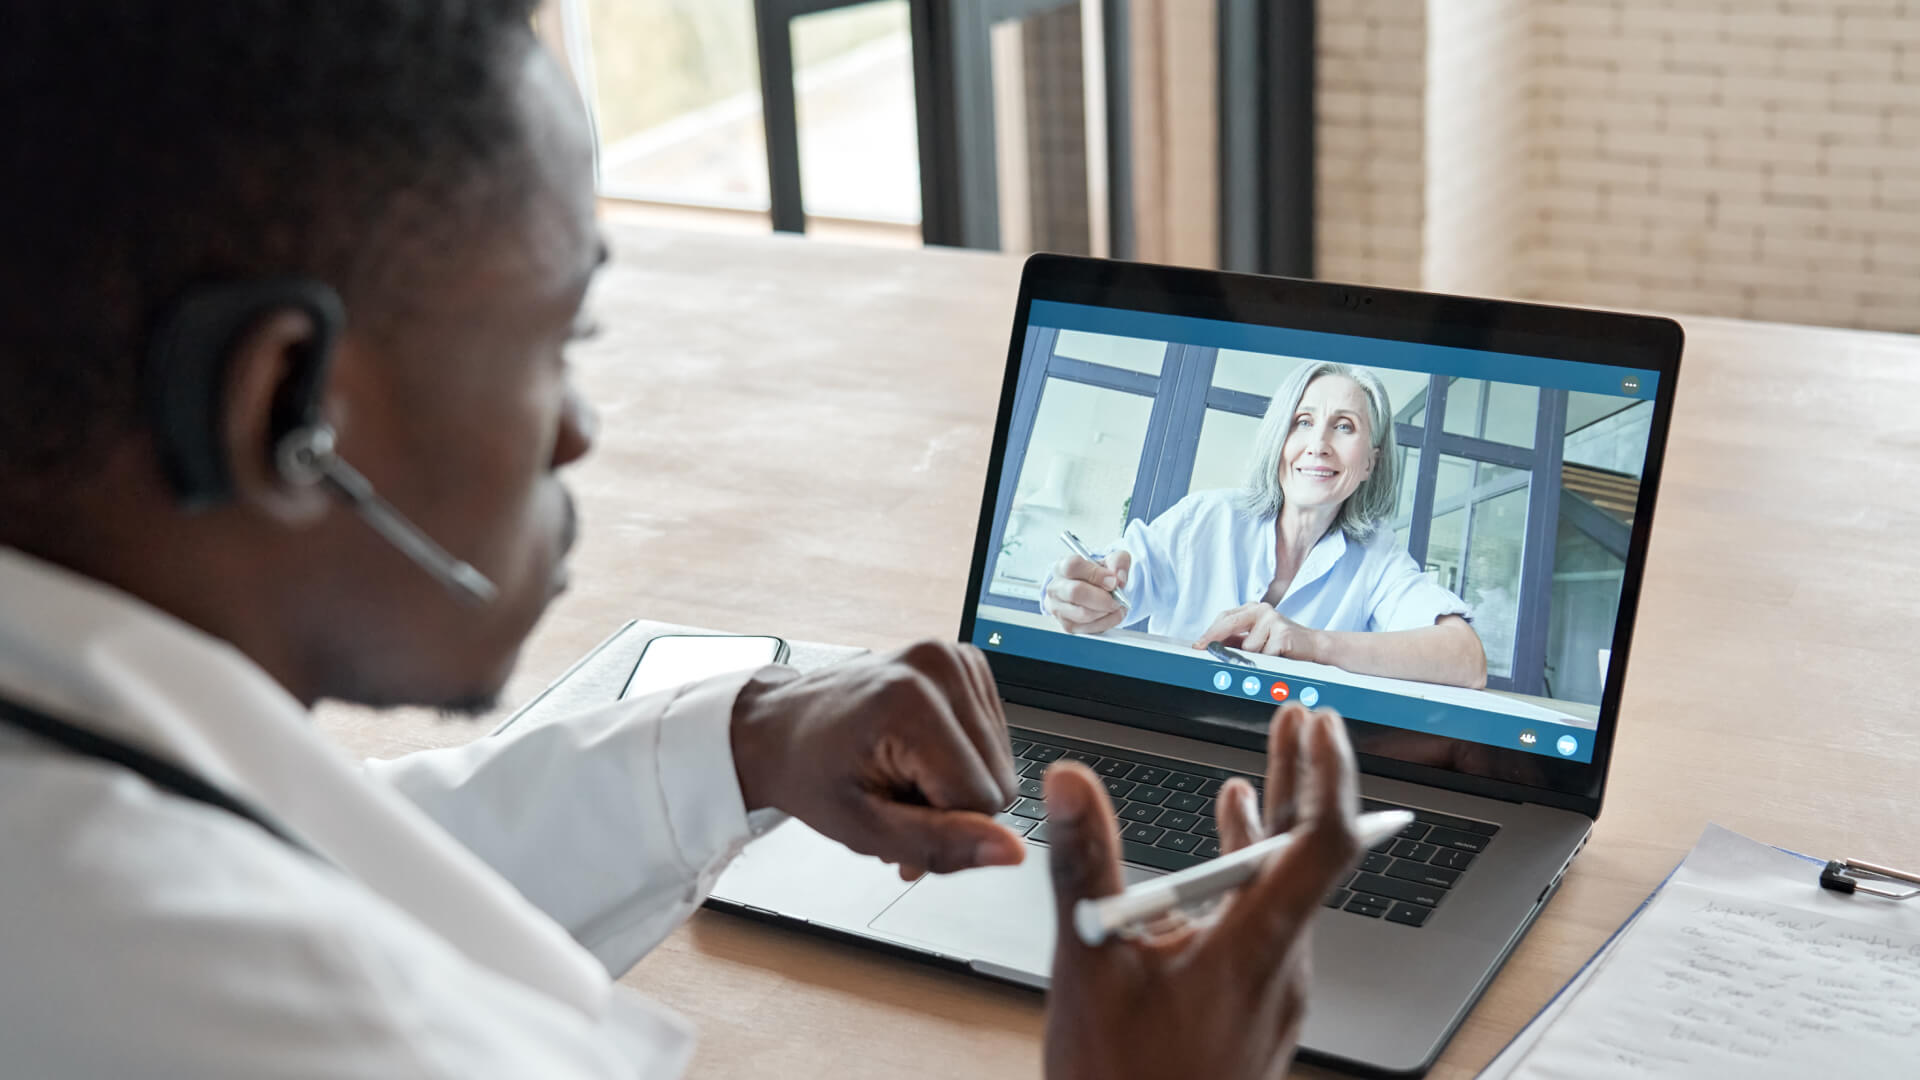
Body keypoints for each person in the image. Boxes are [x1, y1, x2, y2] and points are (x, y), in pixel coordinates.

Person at [0, 5, 1362, 1077]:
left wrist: (741, 738)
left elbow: (329, 856)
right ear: (287, 409)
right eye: (554, 342)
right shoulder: (264, 1026)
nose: (579, 432)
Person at [1043, 361, 1489, 689]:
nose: (1318, 445)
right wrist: (1080, 595)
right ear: (1280, 439)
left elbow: (1466, 660)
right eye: (1303, 422)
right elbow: (1105, 584)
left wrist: (1312, 644)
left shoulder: (1378, 555)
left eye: (1345, 427)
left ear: (1370, 462)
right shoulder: (1204, 517)